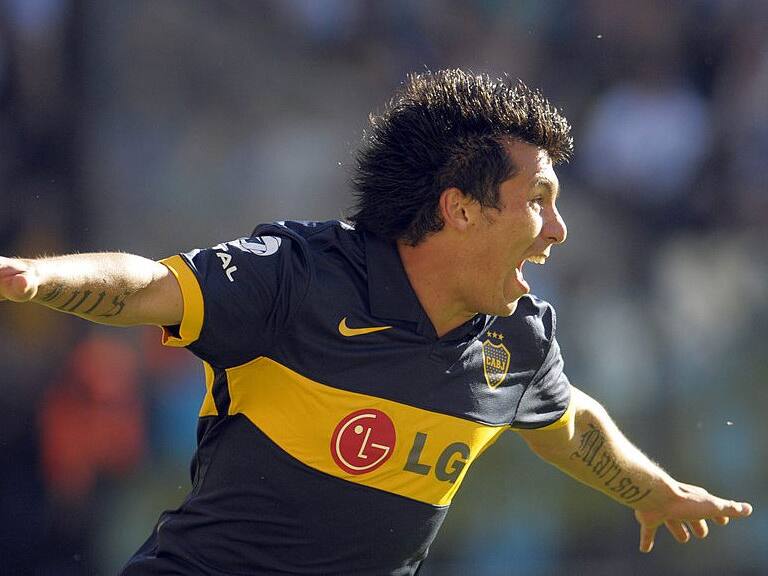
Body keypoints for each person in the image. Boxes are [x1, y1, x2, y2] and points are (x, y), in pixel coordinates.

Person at [0, 69, 752, 575]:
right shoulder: (299, 275)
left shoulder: (515, 340)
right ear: (460, 208)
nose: (558, 229)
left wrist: (649, 492)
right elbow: (144, 287)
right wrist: (35, 279)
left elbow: (571, 422)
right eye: (538, 200)